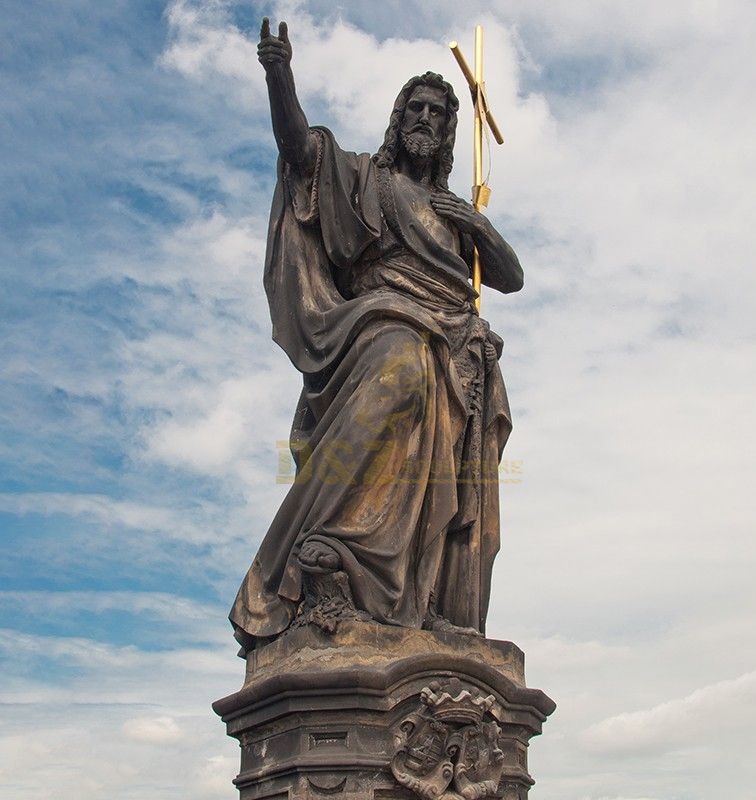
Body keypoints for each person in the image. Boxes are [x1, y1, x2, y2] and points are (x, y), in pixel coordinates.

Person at [229, 19, 524, 653]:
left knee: (452, 467)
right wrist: (280, 75)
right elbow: (301, 153)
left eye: (437, 112)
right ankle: (330, 546)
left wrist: (479, 223)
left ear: (448, 131)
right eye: (414, 107)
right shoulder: (367, 178)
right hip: (383, 321)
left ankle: (430, 601)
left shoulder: (453, 211)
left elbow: (511, 278)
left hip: (458, 347)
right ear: (398, 120)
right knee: (403, 368)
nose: (424, 117)